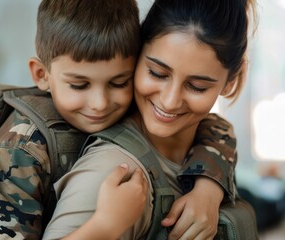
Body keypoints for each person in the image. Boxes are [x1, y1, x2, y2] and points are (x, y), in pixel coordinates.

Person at [0, 0, 238, 239]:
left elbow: (215, 128)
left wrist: (208, 188)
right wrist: (105, 225)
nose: (100, 104)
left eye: (119, 82)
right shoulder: (20, 150)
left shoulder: (142, 107)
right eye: (80, 86)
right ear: (42, 75)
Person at [43, 0, 257, 239]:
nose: (169, 101)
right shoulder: (114, 174)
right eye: (157, 73)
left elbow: (220, 130)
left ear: (230, 82)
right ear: (136, 57)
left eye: (197, 87)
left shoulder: (214, 141)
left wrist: (210, 188)